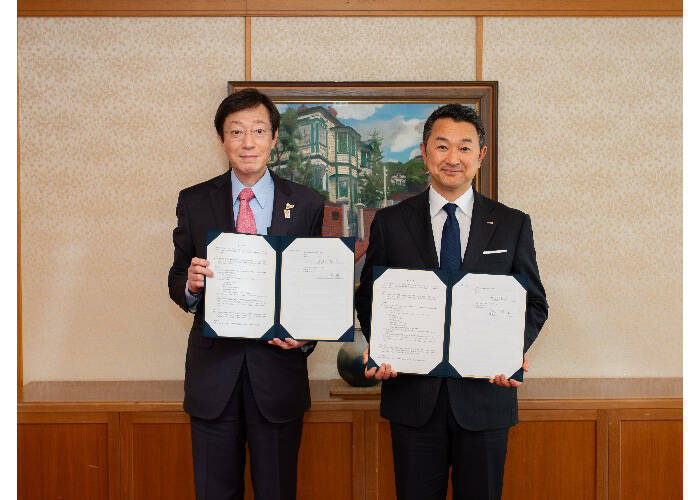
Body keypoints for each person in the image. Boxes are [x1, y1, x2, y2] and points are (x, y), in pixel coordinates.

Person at [355, 104, 548, 500]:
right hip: (412, 398)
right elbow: (370, 295)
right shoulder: (391, 222)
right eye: (442, 146)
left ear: (480, 155)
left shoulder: (512, 223)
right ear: (424, 152)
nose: (453, 158)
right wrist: (384, 346)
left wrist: (511, 350)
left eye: (464, 147)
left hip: (486, 398)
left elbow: (534, 302)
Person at [168, 88, 324, 500]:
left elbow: (317, 284)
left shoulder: (306, 203)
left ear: (274, 138)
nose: (247, 142)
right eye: (236, 131)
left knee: (277, 490)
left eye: (258, 130)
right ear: (221, 139)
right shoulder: (194, 201)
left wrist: (307, 334)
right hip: (212, 377)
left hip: (278, 375)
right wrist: (190, 284)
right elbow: (176, 276)